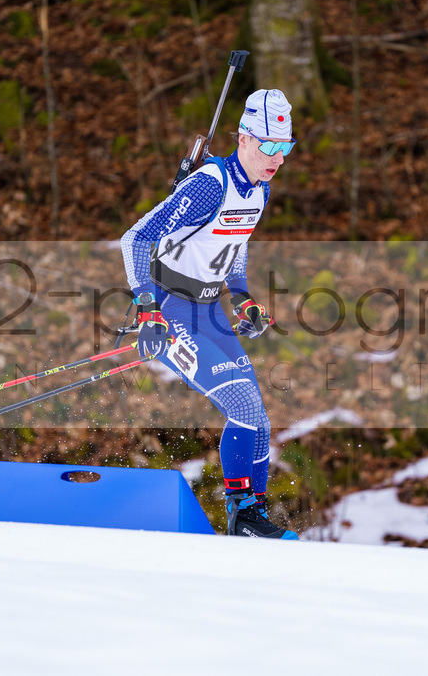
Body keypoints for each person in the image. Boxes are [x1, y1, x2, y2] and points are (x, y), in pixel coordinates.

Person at [120, 89, 298, 539]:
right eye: (268, 145)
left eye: (286, 147)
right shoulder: (210, 184)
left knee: (257, 415)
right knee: (240, 404)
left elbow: (232, 247)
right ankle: (240, 513)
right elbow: (136, 239)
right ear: (243, 139)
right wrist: (146, 307)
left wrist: (241, 297)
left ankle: (252, 516)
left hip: (209, 310)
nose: (276, 157)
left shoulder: (259, 190)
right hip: (171, 308)